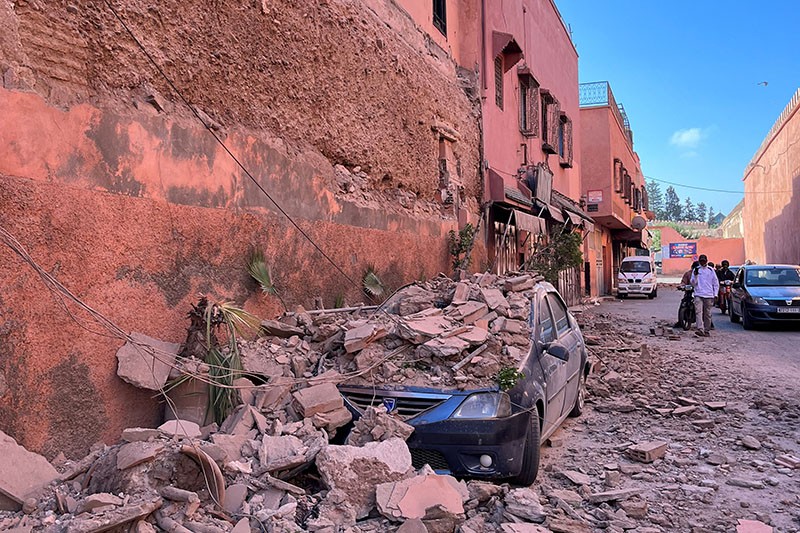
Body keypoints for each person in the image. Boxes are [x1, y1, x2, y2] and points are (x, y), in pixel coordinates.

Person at [690, 254, 719, 337]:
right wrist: (695, 276)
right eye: (701, 260)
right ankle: (700, 329)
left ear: (706, 261)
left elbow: (715, 283)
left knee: (707, 313)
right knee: (698, 312)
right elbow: (693, 283)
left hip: (709, 295)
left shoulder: (711, 270)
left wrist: (715, 294)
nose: (702, 262)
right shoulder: (696, 270)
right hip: (698, 294)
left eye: (704, 260)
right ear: (699, 261)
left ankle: (707, 330)